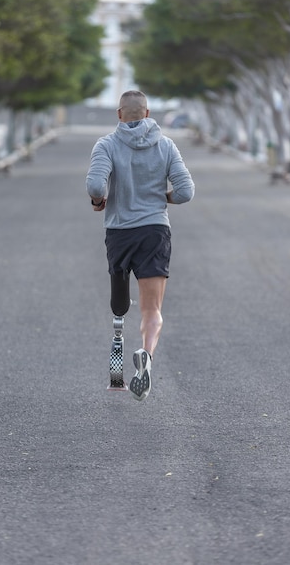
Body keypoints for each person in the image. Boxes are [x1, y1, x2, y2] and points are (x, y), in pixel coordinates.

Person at [86, 90, 195, 401]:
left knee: (120, 302)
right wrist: (163, 198)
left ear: (119, 115)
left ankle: (117, 351)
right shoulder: (166, 145)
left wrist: (98, 200)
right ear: (147, 115)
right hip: (154, 231)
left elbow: (95, 185)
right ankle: (146, 354)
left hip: (119, 233)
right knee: (152, 311)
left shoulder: (106, 144)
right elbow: (186, 191)